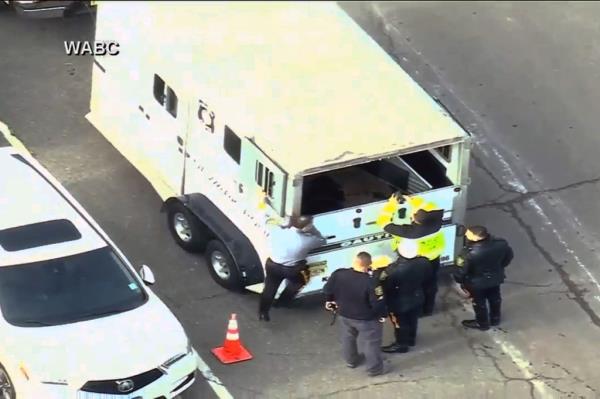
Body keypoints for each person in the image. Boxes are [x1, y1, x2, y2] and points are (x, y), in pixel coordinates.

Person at [376, 193, 445, 316]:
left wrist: (392, 204)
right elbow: (431, 207)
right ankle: (428, 309)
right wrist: (412, 200)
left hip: (416, 262)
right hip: (433, 258)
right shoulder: (436, 222)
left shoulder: (410, 232)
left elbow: (383, 222)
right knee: (430, 285)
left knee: (414, 287)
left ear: (414, 218)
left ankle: (416, 311)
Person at [257, 199, 326, 321]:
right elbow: (322, 240)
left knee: (270, 288)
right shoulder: (307, 240)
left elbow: (267, 219)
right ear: (306, 226)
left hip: (272, 264)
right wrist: (312, 230)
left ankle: (263, 312)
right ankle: (283, 302)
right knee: (300, 282)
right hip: (293, 269)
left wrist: (267, 204)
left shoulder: (277, 230)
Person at [323, 252, 388, 377]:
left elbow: (327, 289)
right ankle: (374, 369)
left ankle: (351, 361)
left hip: (344, 314)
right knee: (371, 343)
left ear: (354, 261)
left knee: (348, 338)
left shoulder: (339, 274)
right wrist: (382, 315)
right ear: (368, 266)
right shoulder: (371, 282)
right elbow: (378, 303)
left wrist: (329, 300)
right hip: (366, 319)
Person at [376, 239, 433, 353]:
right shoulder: (424, 262)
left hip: (399, 302)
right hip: (417, 296)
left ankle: (401, 344)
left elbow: (385, 285)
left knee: (400, 324)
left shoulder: (392, 270)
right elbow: (428, 278)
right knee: (413, 319)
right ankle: (411, 339)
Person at [453, 225, 514, 330]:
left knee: (479, 303)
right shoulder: (501, 243)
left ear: (476, 238)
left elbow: (461, 270)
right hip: (495, 277)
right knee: (495, 298)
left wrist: (460, 281)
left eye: (469, 234)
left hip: (476, 282)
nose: (466, 235)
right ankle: (495, 319)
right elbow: (508, 257)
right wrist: (499, 268)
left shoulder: (468, 253)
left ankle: (482, 324)